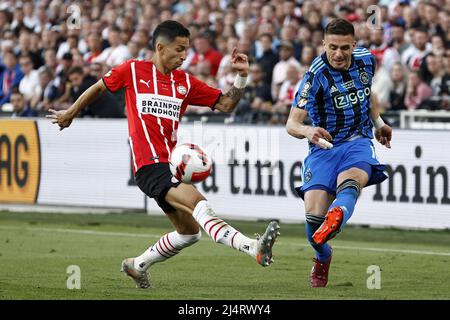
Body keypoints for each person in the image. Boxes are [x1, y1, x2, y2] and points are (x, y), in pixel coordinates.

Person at [47, 20, 280, 289]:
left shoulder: (185, 82)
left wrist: (241, 77)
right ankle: (253, 247)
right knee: (198, 203)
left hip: (170, 165)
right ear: (160, 47)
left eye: (186, 50)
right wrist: (70, 113)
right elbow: (99, 87)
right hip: (148, 166)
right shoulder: (132, 71)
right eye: (179, 49)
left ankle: (137, 265)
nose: (184, 55)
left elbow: (226, 104)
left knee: (189, 233)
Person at [286, 18, 392, 288]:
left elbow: (368, 95)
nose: (339, 54)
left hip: (358, 140)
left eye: (345, 47)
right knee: (313, 222)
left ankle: (338, 214)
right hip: (324, 148)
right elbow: (292, 124)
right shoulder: (315, 75)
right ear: (324, 44)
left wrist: (378, 124)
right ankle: (323, 256)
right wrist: (310, 132)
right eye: (333, 47)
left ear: (354, 45)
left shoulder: (367, 60)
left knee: (352, 180)